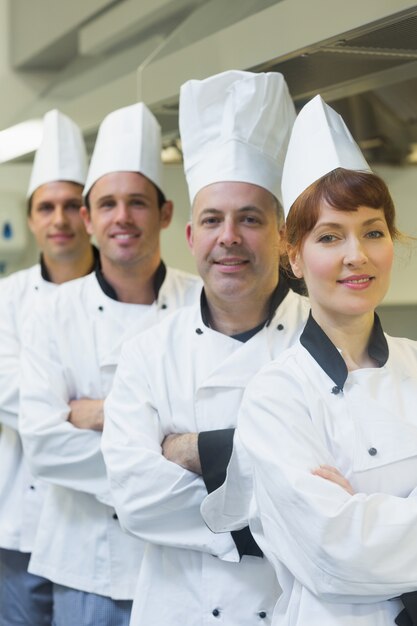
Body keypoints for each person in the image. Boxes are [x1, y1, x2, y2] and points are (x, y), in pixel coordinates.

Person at [102, 70, 309, 625]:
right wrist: (276, 500)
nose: (229, 238)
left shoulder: (326, 340)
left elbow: (349, 491)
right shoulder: (148, 352)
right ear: (191, 237)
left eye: (250, 219)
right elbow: (135, 498)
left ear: (284, 236)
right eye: (213, 220)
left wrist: (195, 452)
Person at [230, 95, 417, 626]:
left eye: (373, 232)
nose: (356, 255)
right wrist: (351, 529)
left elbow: (354, 537)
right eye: (330, 236)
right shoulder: (276, 395)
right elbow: (333, 555)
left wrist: (362, 512)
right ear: (293, 254)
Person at [19, 102, 201, 626]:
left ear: (166, 214)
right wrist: (168, 441)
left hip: (186, 565)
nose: (123, 217)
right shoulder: (51, 313)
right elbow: (45, 445)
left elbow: (223, 427)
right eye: (109, 203)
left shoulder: (203, 304)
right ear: (89, 217)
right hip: (85, 568)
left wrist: (101, 414)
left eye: (138, 202)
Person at [0, 109, 95, 626]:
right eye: (46, 207)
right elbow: (9, 394)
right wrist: (93, 408)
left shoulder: (125, 293)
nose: (59, 219)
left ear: (90, 215)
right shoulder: (6, 299)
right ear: (32, 217)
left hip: (101, 523)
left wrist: (101, 408)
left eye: (71, 205)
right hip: (19, 525)